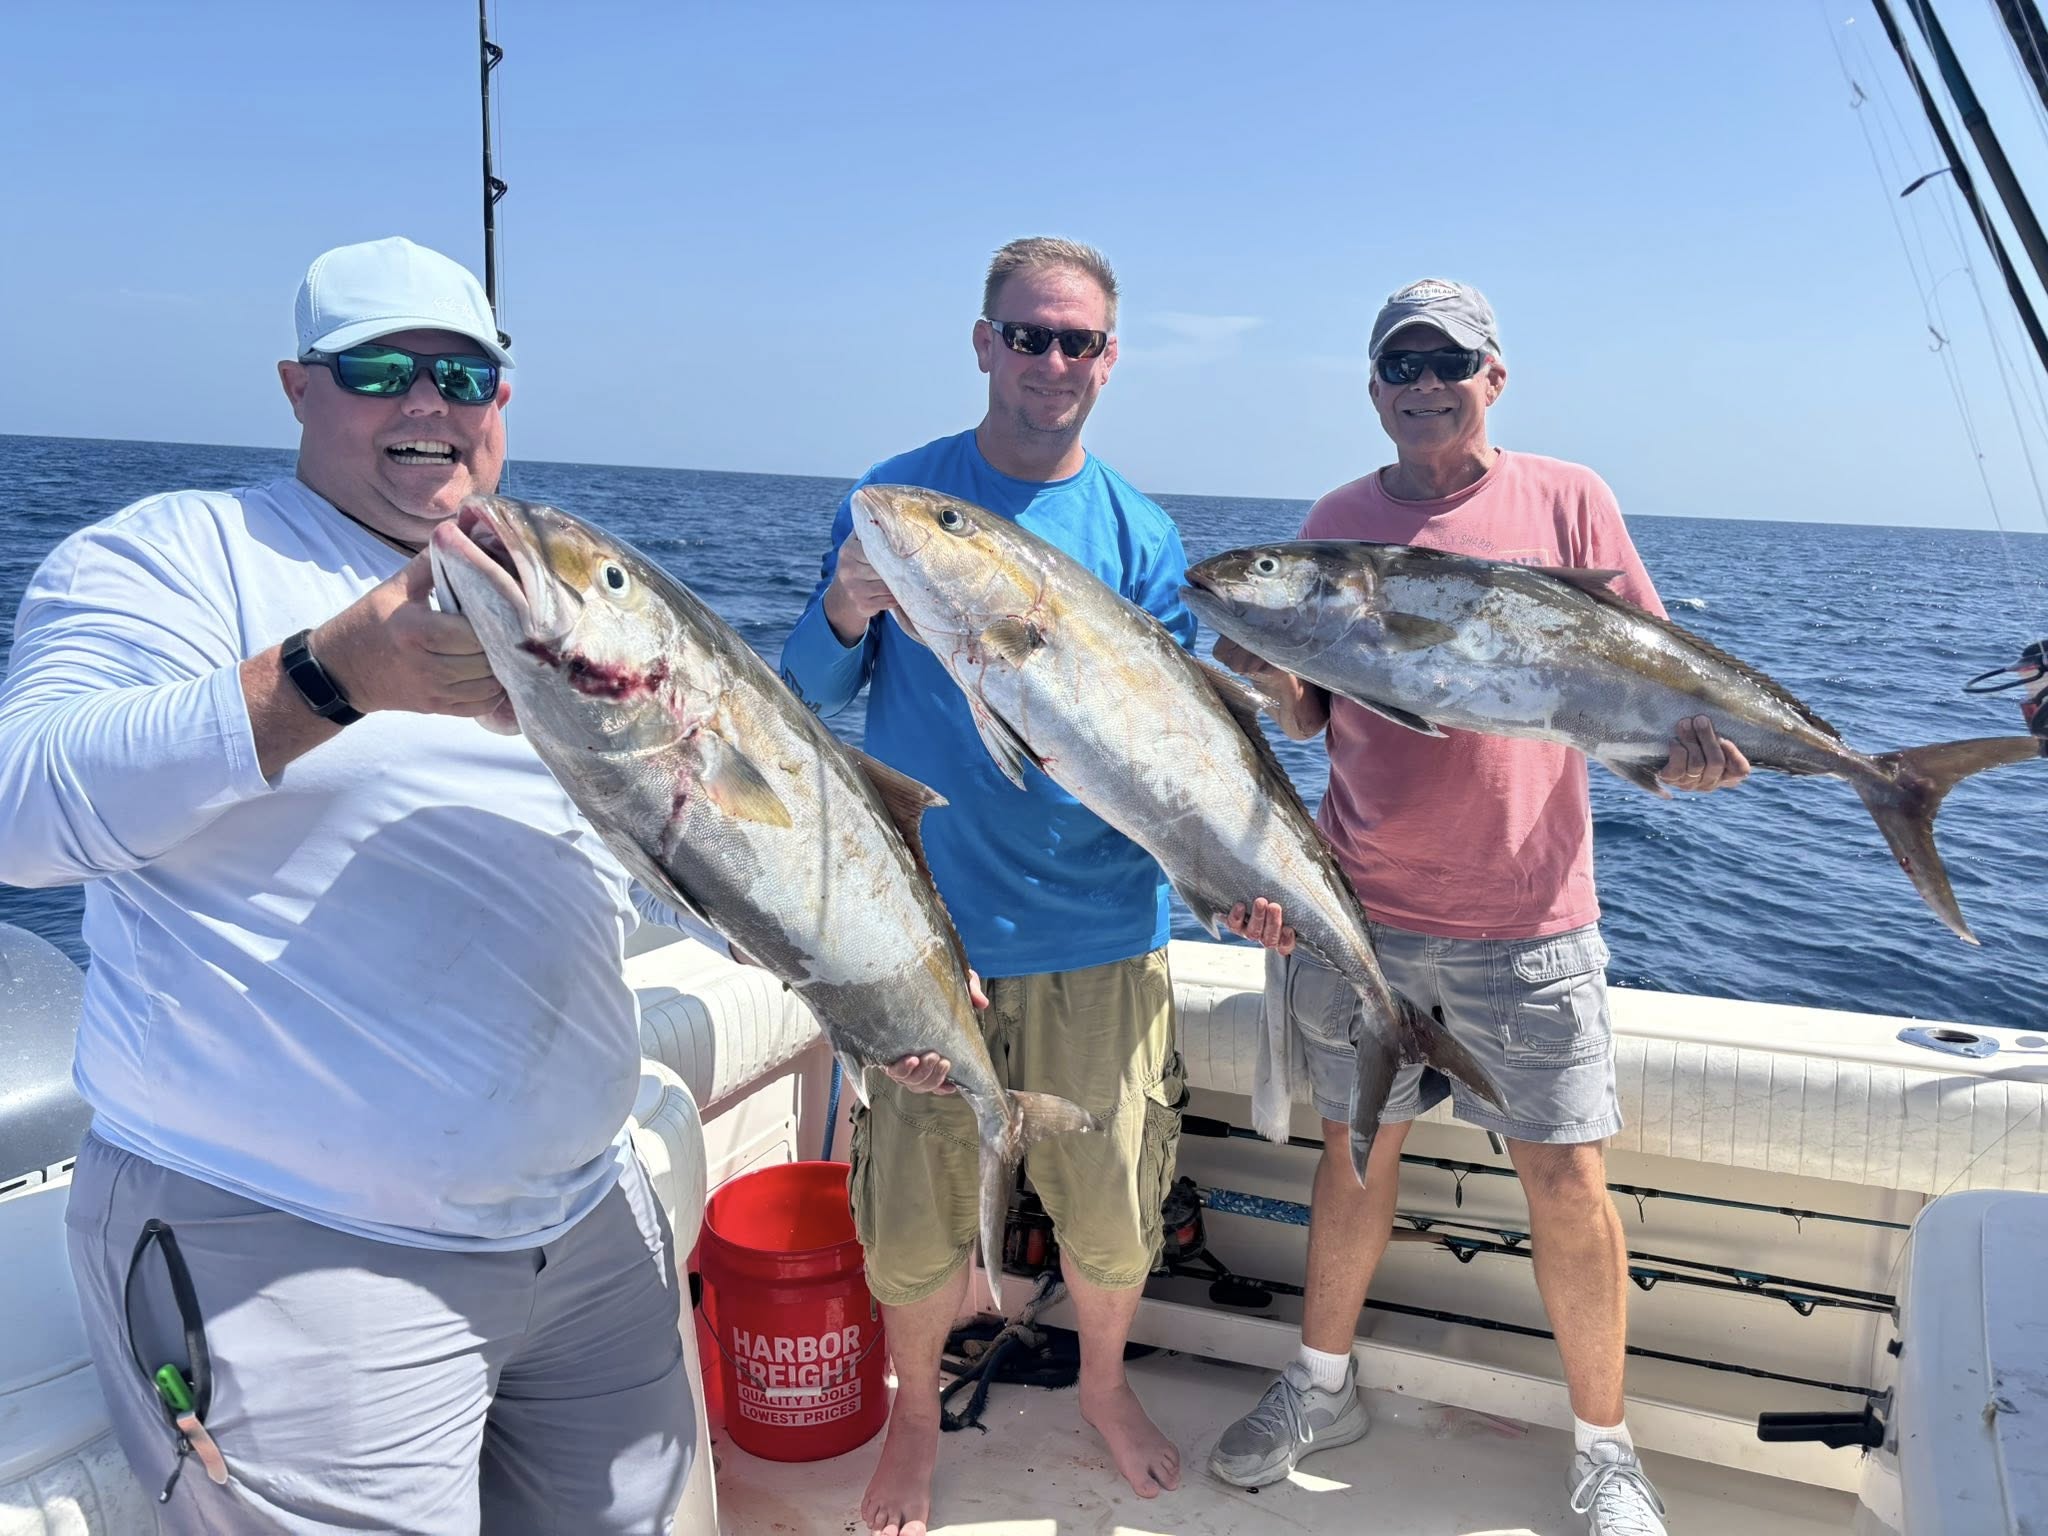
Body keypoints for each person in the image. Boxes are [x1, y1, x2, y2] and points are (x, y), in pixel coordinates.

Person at [0, 237, 704, 1535]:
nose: (428, 400)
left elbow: (638, 859)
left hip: (584, 1226)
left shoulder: (551, 590)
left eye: (463, 374)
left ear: (502, 400)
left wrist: (832, 949)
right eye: (381, 369)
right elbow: (21, 808)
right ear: (297, 386)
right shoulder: (179, 554)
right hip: (292, 1255)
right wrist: (332, 676)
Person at [1206, 278, 1749, 1536]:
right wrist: (1260, 666)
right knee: (1355, 1154)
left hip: (1530, 916)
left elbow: (1648, 677)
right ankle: (1319, 1385)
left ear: (1492, 377)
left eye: (1445, 362)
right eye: (1398, 365)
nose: (1422, 385)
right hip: (1363, 910)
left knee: (1564, 1176)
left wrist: (1691, 760)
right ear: (1372, 389)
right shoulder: (1336, 525)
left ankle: (1604, 1450)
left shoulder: (1567, 498)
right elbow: (1311, 716)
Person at [780, 236, 1286, 1536]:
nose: (1049, 360)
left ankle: (1102, 1386)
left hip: (1101, 928)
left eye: (1076, 340)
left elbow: (1177, 746)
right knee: (910, 1220)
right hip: (920, 933)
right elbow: (807, 699)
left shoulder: (1139, 535)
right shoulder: (896, 504)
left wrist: (1231, 878)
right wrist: (844, 611)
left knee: (1112, 1211)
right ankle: (913, 1418)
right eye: (1026, 334)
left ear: (1108, 361)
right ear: (983, 343)